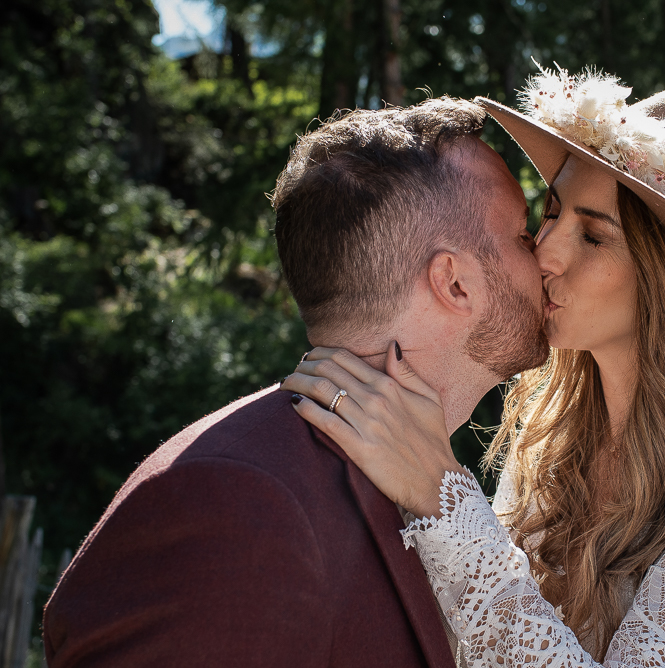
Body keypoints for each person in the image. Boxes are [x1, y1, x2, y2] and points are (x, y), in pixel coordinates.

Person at [282, 67, 665, 668]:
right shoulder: (551, 433)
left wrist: (443, 502)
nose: (544, 250)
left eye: (593, 236)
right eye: (552, 212)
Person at [42, 97, 550, 667]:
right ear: (454, 283)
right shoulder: (232, 503)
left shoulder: (408, 485)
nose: (546, 256)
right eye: (523, 235)